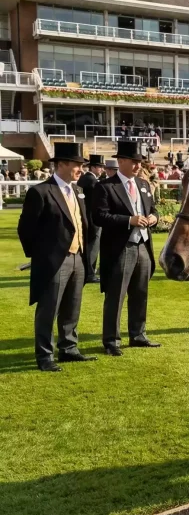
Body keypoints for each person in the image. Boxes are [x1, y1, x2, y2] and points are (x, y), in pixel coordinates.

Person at [17, 142, 97, 372]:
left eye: (81, 166)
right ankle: (44, 356)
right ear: (61, 164)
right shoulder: (40, 192)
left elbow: (83, 223)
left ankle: (69, 348)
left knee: (72, 306)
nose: (80, 170)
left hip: (78, 258)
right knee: (49, 309)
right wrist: (41, 256)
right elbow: (26, 229)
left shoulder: (78, 191)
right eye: (76, 165)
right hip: (54, 261)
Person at [93, 141, 161, 356]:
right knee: (116, 295)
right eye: (134, 162)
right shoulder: (105, 187)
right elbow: (99, 216)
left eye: (139, 162)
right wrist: (128, 220)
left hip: (142, 245)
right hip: (121, 248)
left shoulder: (143, 184)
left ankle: (138, 334)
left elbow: (154, 209)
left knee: (140, 293)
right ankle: (111, 340)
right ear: (121, 161)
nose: (138, 166)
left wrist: (154, 217)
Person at [78, 154, 105, 284]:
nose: (102, 170)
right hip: (92, 218)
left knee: (89, 246)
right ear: (93, 167)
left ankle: (88, 272)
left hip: (85, 217)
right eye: (100, 167)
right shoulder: (92, 181)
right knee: (93, 247)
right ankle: (90, 273)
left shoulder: (84, 179)